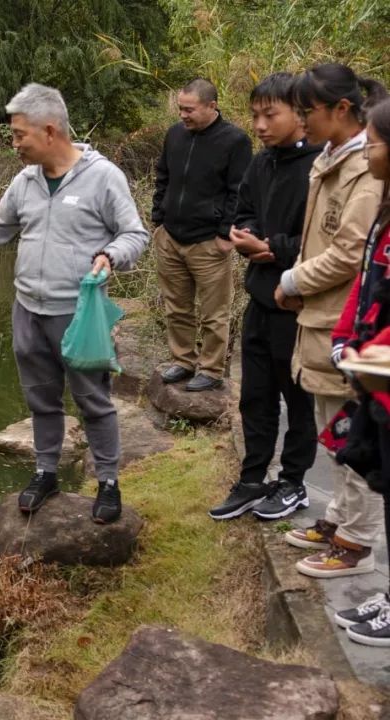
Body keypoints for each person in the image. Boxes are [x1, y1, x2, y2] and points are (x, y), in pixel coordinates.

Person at [0, 83, 148, 524]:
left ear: (49, 130)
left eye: (19, 135)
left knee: (93, 399)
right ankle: (46, 472)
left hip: (78, 314)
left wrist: (111, 256)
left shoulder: (103, 176)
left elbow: (135, 234)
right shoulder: (26, 181)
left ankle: (108, 481)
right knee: (41, 398)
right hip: (27, 310)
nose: (13, 143)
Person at [275, 64, 388, 579]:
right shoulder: (330, 159)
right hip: (325, 321)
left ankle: (357, 544)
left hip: (352, 329)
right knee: (334, 431)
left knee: (355, 435)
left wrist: (293, 282)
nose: (302, 122)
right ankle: (340, 519)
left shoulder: (365, 168)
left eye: (307, 112)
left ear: (342, 110)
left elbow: (347, 253)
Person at [208, 73, 322, 521]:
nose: (259, 125)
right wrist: (247, 234)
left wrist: (272, 247)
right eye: (255, 115)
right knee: (254, 396)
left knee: (299, 399)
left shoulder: (321, 168)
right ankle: (253, 478)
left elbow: (326, 244)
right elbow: (245, 210)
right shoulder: (261, 163)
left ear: (300, 113)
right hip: (259, 299)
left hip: (299, 305)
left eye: (269, 114)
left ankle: (294, 482)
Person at [325, 98, 390, 644]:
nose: (367, 149)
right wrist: (346, 339)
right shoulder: (386, 216)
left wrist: (373, 354)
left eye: (373, 141)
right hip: (377, 385)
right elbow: (365, 284)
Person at [153, 78, 253, 392]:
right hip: (171, 236)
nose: (183, 115)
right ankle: (183, 361)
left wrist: (225, 234)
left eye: (189, 109)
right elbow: (163, 176)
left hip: (209, 242)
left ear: (212, 105)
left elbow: (239, 191)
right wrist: (157, 219)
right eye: (180, 108)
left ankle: (210, 369)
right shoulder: (175, 135)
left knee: (214, 313)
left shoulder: (235, 140)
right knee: (177, 307)